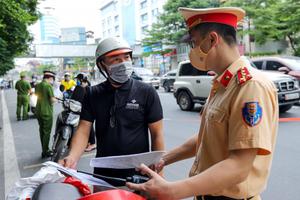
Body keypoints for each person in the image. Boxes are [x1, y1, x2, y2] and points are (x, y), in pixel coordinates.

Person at [127, 7, 278, 200]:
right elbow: (207, 138)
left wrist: (171, 191)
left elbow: (239, 167)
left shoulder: (250, 86)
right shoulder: (224, 82)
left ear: (213, 40)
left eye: (195, 43)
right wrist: (163, 160)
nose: (192, 51)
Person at [59, 37, 164, 186]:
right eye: (115, 59)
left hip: (140, 173)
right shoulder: (92, 94)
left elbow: (157, 134)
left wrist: (158, 174)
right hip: (103, 174)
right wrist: (72, 157)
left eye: (126, 57)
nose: (123, 63)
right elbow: (83, 130)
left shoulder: (146, 92)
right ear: (102, 64)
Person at [71, 73, 96, 152]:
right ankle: (87, 142)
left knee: (88, 125)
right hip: (78, 108)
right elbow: (74, 97)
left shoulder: (88, 88)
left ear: (82, 80)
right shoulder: (78, 87)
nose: (77, 81)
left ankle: (93, 143)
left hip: (88, 110)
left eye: (78, 80)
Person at [35, 71, 57, 158]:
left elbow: (37, 95)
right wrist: (56, 100)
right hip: (46, 112)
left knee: (42, 131)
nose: (52, 81)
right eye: (52, 79)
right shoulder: (48, 86)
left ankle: (44, 149)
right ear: (50, 78)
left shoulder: (38, 85)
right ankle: (46, 151)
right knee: (47, 132)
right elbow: (52, 100)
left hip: (38, 111)